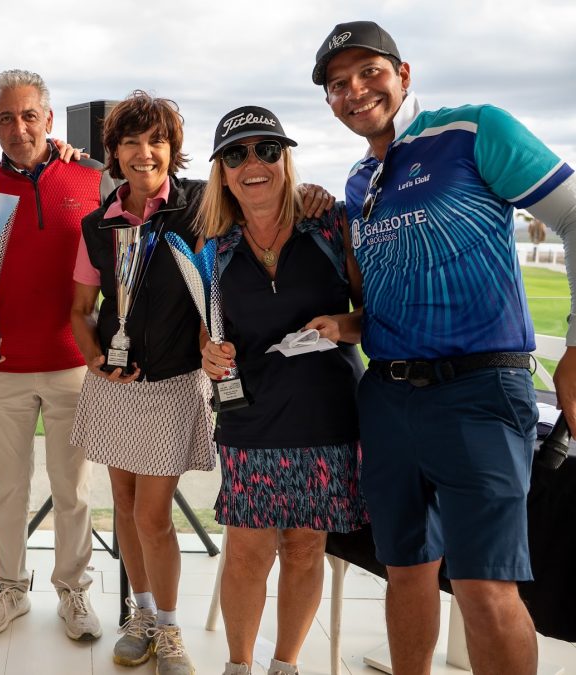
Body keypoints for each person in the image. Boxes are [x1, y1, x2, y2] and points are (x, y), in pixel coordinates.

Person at [313, 20, 576, 675]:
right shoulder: (357, 183)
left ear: (404, 75)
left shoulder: (474, 130)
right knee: (406, 573)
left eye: (369, 71)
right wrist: (346, 325)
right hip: (388, 394)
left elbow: (574, 215)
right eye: (338, 84)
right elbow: (385, 295)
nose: (355, 90)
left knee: (486, 587)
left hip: (480, 389)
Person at [196, 106, 368, 675]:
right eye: (237, 154)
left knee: (303, 549)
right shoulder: (212, 249)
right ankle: (239, 665)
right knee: (247, 552)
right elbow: (209, 329)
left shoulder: (331, 225)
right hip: (251, 418)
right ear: (222, 172)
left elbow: (378, 315)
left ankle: (285, 664)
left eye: (267, 149)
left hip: (326, 416)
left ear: (285, 159)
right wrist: (208, 351)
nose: (254, 163)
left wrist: (344, 325)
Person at [0, 69, 114, 640]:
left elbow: (117, 265)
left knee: (73, 490)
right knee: (8, 488)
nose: (19, 127)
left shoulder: (93, 177)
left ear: (48, 116)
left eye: (29, 115)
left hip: (74, 363)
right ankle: (11, 589)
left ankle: (73, 592)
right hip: (5, 368)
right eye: (5, 118)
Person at [69, 91, 211, 675]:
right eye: (131, 141)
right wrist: (95, 358)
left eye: (156, 140)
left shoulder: (201, 207)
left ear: (172, 150)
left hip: (175, 383)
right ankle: (143, 612)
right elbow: (80, 308)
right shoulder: (96, 224)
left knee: (154, 515)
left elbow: (213, 296)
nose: (143, 152)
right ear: (115, 151)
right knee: (123, 507)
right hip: (114, 385)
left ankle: (171, 629)